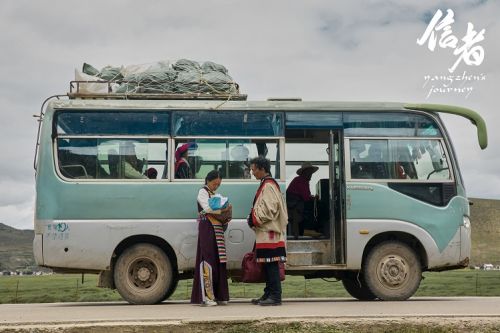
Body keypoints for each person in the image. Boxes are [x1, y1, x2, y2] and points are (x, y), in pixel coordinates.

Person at [247, 156, 288, 306]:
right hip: (268, 231)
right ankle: (268, 294)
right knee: (268, 264)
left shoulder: (268, 185)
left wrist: (253, 219)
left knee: (271, 264)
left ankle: (275, 297)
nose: (252, 172)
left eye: (253, 169)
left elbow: (269, 209)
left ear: (261, 169)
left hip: (269, 232)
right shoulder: (267, 183)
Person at [191, 170, 232, 306]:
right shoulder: (202, 192)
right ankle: (206, 296)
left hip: (217, 229)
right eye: (215, 184)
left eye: (218, 185)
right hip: (207, 228)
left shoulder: (214, 194)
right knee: (207, 259)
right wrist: (222, 210)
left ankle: (218, 295)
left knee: (218, 260)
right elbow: (207, 208)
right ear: (208, 180)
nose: (216, 187)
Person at [286, 162, 319, 239]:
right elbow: (306, 197)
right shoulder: (300, 180)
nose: (311, 175)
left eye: (311, 173)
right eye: (309, 173)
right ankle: (311, 229)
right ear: (304, 173)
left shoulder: (303, 181)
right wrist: (314, 198)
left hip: (295, 205)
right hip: (293, 206)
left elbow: (306, 195)